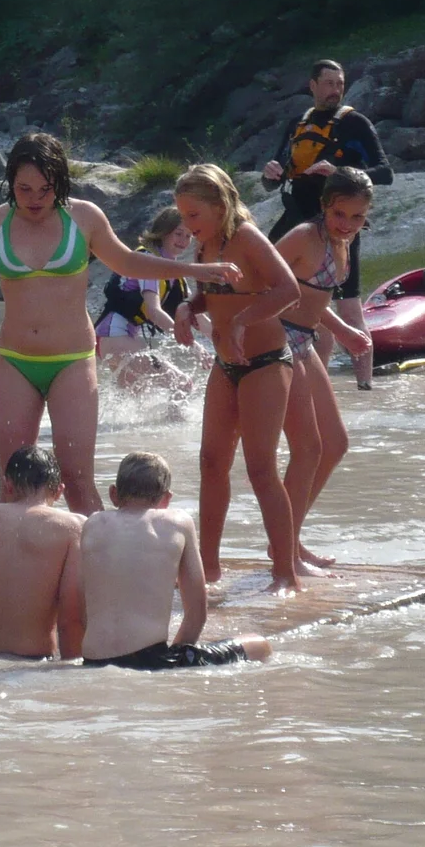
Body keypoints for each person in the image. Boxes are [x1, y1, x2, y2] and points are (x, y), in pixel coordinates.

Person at [0, 133, 238, 513]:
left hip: (72, 360)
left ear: (60, 184)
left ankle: (97, 566)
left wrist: (192, 268)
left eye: (45, 189)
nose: (34, 198)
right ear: (10, 183)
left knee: (76, 481)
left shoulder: (83, 217)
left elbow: (129, 262)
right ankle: (16, 570)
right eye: (24, 189)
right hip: (14, 360)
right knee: (13, 483)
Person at [168, 164, 305, 592]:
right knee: (211, 463)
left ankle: (285, 573)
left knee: (261, 468)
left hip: (265, 361)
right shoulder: (206, 245)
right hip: (226, 364)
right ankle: (208, 568)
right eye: (182, 216)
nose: (187, 226)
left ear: (221, 205)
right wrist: (189, 308)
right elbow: (208, 294)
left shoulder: (246, 238)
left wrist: (245, 320)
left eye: (193, 215)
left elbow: (289, 290)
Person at [272, 167, 376, 570]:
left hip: (304, 340)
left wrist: (345, 330)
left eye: (357, 217)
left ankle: (290, 541)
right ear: (323, 206)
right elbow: (260, 281)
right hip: (278, 339)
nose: (347, 225)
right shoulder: (303, 237)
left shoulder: (345, 241)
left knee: (335, 444)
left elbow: (313, 301)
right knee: (309, 448)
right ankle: (285, 551)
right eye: (340, 215)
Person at [80, 452, 271, 669]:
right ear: (166, 499)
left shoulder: (93, 524)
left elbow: (80, 609)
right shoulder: (177, 522)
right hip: (151, 660)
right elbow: (197, 613)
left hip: (93, 659)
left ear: (113, 494)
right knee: (260, 644)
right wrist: (179, 655)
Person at [260, 59, 394, 356]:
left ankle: (364, 385)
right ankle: (288, 363)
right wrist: (270, 175)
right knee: (265, 281)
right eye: (329, 83)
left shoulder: (355, 123)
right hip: (298, 218)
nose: (335, 90)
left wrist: (338, 172)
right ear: (313, 86)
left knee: (349, 307)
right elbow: (276, 177)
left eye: (340, 84)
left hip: (340, 222)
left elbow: (385, 172)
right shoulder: (297, 124)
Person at [0, 444, 86, 659]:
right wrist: (72, 669)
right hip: (31, 664)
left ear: (7, 485)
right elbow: (70, 619)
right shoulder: (72, 527)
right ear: (59, 491)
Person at [93, 206, 197, 387]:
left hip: (111, 339)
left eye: (188, 236)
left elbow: (197, 316)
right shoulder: (148, 261)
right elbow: (153, 310)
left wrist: (223, 343)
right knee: (182, 384)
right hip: (114, 336)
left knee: (136, 402)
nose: (183, 241)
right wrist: (193, 346)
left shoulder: (174, 272)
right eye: (178, 234)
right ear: (163, 232)